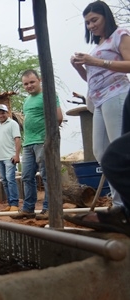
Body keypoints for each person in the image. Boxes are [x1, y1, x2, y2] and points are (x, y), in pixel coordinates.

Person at [70, 0, 130, 208]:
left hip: (117, 95)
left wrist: (96, 61)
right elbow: (93, 80)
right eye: (87, 23)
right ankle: (119, 204)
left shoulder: (119, 35)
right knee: (102, 153)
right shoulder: (97, 46)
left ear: (106, 17)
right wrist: (79, 67)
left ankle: (123, 205)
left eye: (94, 20)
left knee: (120, 152)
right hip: (98, 101)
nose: (91, 26)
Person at [64, 92, 130, 236]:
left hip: (113, 91)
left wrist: (102, 66)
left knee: (115, 159)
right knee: (103, 154)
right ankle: (123, 212)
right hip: (100, 98)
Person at [10, 70, 63, 221]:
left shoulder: (48, 95)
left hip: (43, 142)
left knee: (47, 176)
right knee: (27, 176)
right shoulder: (27, 101)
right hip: (28, 143)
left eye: (32, 82)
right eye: (26, 84)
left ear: (39, 80)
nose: (29, 86)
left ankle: (49, 208)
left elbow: (58, 117)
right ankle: (28, 208)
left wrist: (49, 137)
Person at [0, 104, 21, 212]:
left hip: (10, 157)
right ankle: (10, 203)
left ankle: (15, 204)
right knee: (4, 181)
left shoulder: (12, 124)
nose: (1, 115)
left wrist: (17, 155)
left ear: (7, 113)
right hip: (0, 159)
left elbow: (17, 139)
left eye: (3, 113)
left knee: (10, 179)